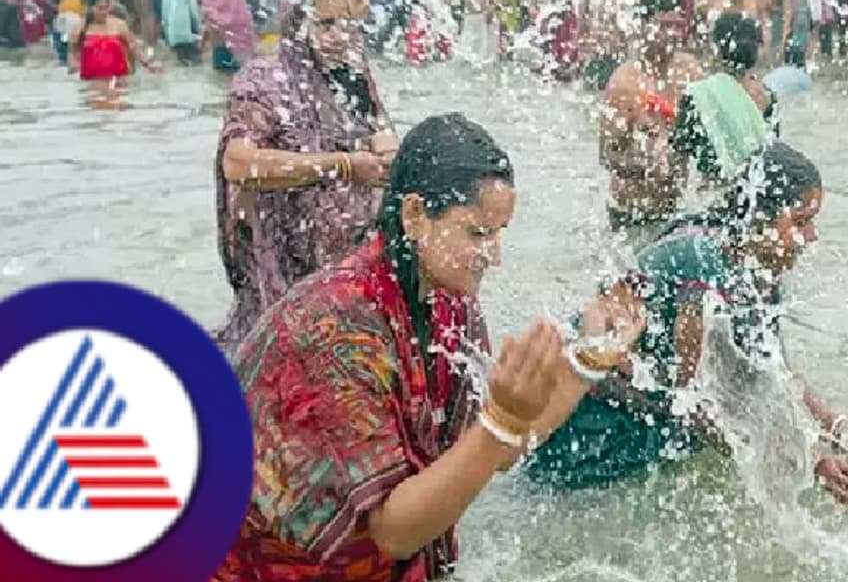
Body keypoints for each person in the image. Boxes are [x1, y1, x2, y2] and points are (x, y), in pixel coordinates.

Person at [214, 113, 639, 581]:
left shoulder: (450, 305)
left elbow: (489, 453)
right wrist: (503, 420)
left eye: (499, 233)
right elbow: (393, 531)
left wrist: (583, 367)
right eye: (477, 233)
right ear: (414, 215)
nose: (493, 255)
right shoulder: (333, 327)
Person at [526, 142, 848, 505]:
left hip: (645, 419)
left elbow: (773, 374)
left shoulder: (760, 268)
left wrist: (835, 426)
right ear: (758, 216)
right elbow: (697, 401)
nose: (812, 236)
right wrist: (808, 459)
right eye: (800, 221)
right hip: (586, 425)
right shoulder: (701, 264)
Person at [214, 0, 398, 350]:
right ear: (298, 24)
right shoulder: (265, 79)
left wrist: (392, 160)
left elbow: (381, 131)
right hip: (282, 257)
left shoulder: (351, 72)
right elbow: (238, 163)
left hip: (347, 255)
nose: (340, 37)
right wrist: (343, 166)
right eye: (326, 25)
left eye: (347, 25)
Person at [601, 0, 703, 247]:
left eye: (677, 26)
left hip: (674, 210)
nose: (672, 34)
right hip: (632, 213)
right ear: (643, 26)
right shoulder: (624, 83)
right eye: (663, 26)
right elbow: (607, 156)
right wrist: (648, 161)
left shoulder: (690, 71)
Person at [672, 12, 774, 188]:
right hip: (758, 199)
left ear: (717, 48)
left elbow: (679, 160)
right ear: (757, 49)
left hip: (715, 199)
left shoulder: (698, 95)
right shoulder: (767, 97)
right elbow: (773, 153)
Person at [67, 0, 159, 80]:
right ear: (90, 8)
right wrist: (73, 64)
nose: (103, 12)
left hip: (119, 79)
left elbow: (134, 48)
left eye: (105, 8)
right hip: (90, 80)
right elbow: (72, 51)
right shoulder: (79, 27)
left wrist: (148, 64)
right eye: (99, 8)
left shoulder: (119, 25)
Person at [199, 0, 254, 71]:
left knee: (234, 71)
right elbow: (207, 15)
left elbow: (237, 16)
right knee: (219, 72)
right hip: (217, 40)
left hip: (235, 38)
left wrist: (219, 20)